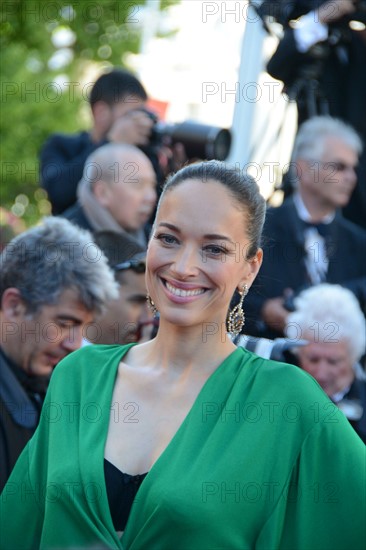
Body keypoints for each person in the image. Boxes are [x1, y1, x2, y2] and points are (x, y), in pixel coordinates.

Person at [1, 161, 364, 549]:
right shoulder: (78, 376)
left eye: (214, 248)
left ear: (249, 268)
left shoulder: (287, 400)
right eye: (169, 239)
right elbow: (18, 528)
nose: (184, 267)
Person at [0, 217, 118, 492]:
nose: (75, 344)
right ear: (14, 306)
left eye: (84, 328)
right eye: (64, 324)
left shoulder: (48, 383)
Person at [245, 115, 366, 340]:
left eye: (353, 168)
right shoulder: (257, 227)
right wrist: (265, 312)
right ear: (304, 168)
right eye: (339, 167)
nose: (351, 177)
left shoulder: (359, 243)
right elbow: (226, 292)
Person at [266, 0, 366, 228]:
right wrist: (322, 17)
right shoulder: (312, 35)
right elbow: (277, 65)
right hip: (316, 168)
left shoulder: (355, 44)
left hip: (358, 182)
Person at [40, 68, 158, 215]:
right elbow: (58, 192)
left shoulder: (142, 155)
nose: (138, 123)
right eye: (130, 115)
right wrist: (112, 142)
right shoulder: (61, 146)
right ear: (101, 112)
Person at [284, 283, 366, 442]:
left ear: (353, 356)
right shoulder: (280, 402)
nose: (321, 373)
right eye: (313, 359)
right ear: (297, 353)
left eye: (333, 361)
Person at [61, 143, 157, 247]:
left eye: (152, 185)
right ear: (102, 193)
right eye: (138, 185)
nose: (151, 197)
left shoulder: (153, 239)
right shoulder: (62, 246)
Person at [88, 230, 156, 345]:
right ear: (95, 296)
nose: (148, 319)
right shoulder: (55, 358)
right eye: (138, 301)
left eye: (153, 304)